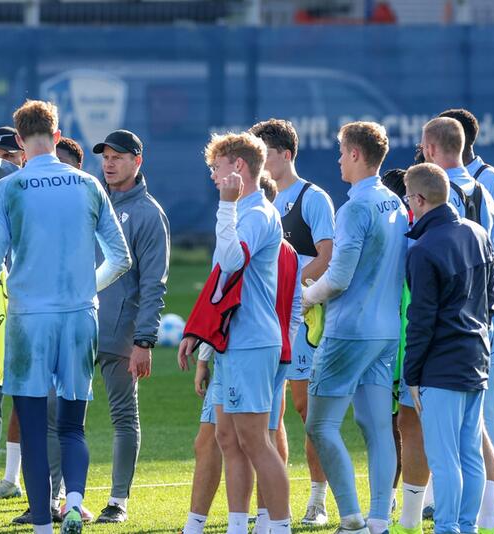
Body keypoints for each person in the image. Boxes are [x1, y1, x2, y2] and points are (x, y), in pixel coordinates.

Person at [0, 99, 131, 534]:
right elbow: (120, 258)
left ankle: (43, 524)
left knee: (31, 429)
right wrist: (85, 287)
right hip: (80, 316)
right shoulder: (87, 184)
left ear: (21, 143)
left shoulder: (9, 189)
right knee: (72, 425)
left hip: (30, 319)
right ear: (59, 136)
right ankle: (76, 501)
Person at [0, 129, 86, 517]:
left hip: (34, 310)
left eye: (9, 153)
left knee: (39, 407)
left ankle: (39, 492)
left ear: (24, 154)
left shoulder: (35, 192)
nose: (3, 160)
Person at [176, 131, 291, 534]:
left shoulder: (256, 213)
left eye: (216, 167)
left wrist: (225, 206)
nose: (212, 175)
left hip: (252, 342)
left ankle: (279, 526)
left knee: (256, 440)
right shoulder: (245, 211)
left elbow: (228, 260)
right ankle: (237, 525)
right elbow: (220, 285)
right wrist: (201, 335)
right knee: (227, 437)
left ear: (237, 167)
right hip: (232, 341)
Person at [301, 121, 408, 534]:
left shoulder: (354, 208)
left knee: (320, 425)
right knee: (379, 426)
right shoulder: (394, 203)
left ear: (357, 155)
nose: (339, 159)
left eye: (342, 152)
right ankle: (379, 519)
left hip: (349, 332)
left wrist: (305, 297)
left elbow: (339, 277)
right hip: (386, 333)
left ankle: (351, 517)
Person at [394, 117, 494, 532]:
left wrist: (413, 374)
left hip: (440, 363)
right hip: (476, 356)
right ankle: (466, 527)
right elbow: (490, 299)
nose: (407, 205)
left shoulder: (422, 250)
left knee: (445, 458)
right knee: (470, 452)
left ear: (419, 200)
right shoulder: (476, 233)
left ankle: (448, 528)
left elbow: (419, 319)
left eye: (408, 198)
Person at [249, 118, 335, 527]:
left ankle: (318, 500)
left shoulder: (311, 198)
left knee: (306, 408)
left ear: (285, 154)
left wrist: (293, 288)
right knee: (268, 411)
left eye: (263, 153)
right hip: (261, 322)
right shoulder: (254, 201)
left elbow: (327, 256)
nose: (258, 162)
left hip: (300, 319)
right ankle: (271, 502)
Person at [87, 129, 170, 524]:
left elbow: (155, 283)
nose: (109, 162)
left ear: (137, 161)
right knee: (61, 414)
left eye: (118, 156)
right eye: (105, 155)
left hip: (120, 335)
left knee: (123, 417)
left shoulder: (149, 213)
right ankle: (60, 497)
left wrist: (144, 339)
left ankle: (118, 500)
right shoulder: (89, 201)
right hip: (77, 325)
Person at [438, 108, 494, 534]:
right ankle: (439, 499)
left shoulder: (492, 183)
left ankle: (489, 507)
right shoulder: (443, 181)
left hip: (484, 310)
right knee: (445, 406)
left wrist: (486, 310)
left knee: (485, 405)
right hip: (461, 310)